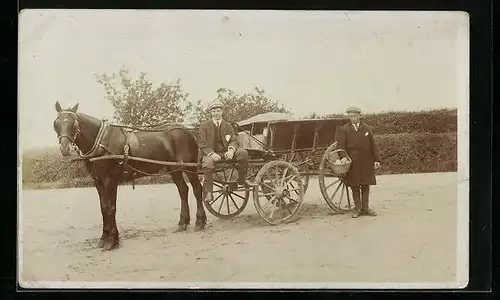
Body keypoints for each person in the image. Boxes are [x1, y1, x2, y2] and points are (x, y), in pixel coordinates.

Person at [198, 101, 254, 202]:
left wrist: (231, 150)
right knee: (208, 163)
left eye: (218, 111)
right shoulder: (204, 126)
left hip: (225, 153)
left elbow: (234, 140)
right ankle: (209, 192)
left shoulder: (227, 125)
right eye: (213, 111)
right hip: (210, 154)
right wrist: (212, 154)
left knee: (243, 153)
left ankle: (241, 180)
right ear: (211, 113)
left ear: (222, 112)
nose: (216, 113)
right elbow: (202, 143)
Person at [336, 106, 381, 218]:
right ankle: (358, 209)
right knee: (354, 185)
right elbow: (341, 146)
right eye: (351, 116)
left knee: (366, 185)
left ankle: (366, 208)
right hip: (353, 162)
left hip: (366, 160)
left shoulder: (367, 129)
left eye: (355, 116)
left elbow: (373, 145)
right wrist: (343, 157)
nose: (353, 118)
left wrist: (376, 159)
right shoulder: (344, 129)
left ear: (360, 116)